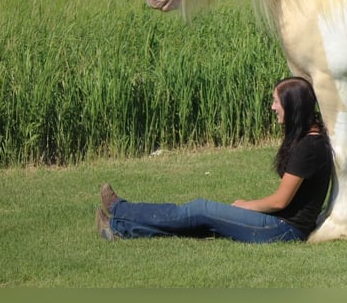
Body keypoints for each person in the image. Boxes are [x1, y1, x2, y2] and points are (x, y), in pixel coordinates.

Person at [95, 77, 333, 243]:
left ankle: (119, 208)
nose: (272, 107)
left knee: (200, 209)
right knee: (202, 222)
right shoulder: (308, 138)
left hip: (284, 229)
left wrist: (245, 205)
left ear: (292, 107)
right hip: (279, 224)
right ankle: (118, 229)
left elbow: (280, 201)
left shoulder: (309, 147)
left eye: (276, 102)